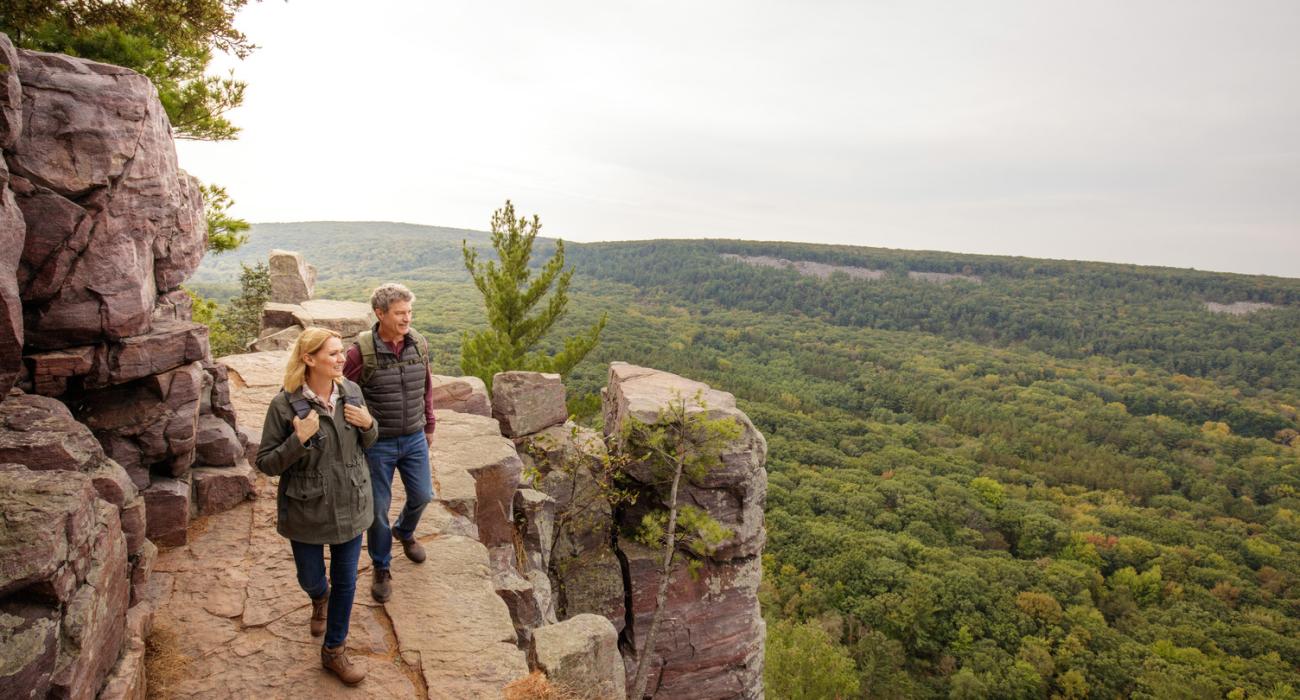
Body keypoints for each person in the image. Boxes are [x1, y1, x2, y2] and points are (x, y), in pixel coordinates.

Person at [256, 327, 378, 686]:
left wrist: (370, 424)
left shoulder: (351, 392)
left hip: (352, 502)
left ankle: (334, 650)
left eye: (342, 352)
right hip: (307, 508)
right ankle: (318, 597)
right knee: (310, 578)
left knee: (347, 582)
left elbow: (368, 441)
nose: (342, 359)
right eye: (333, 354)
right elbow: (266, 464)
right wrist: (299, 439)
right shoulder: (284, 405)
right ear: (309, 359)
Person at [343, 283, 436, 603]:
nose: (407, 318)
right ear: (379, 314)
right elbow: (343, 392)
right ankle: (381, 566)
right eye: (399, 313)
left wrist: (429, 423)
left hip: (413, 437)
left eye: (409, 312)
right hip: (377, 443)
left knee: (423, 495)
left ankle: (405, 531)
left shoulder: (418, 343)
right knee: (377, 509)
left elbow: (426, 387)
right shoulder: (360, 352)